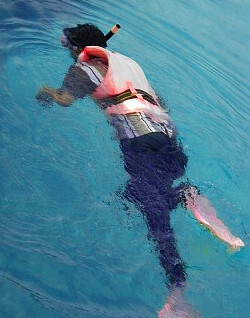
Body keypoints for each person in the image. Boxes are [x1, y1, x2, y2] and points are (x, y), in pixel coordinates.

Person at [36, 23, 244, 318]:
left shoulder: (85, 68)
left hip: (140, 142)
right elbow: (161, 103)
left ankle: (178, 289)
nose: (66, 50)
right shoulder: (128, 67)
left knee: (148, 204)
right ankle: (184, 194)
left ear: (80, 48)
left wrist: (46, 93)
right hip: (170, 141)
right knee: (141, 194)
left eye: (66, 44)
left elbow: (65, 99)